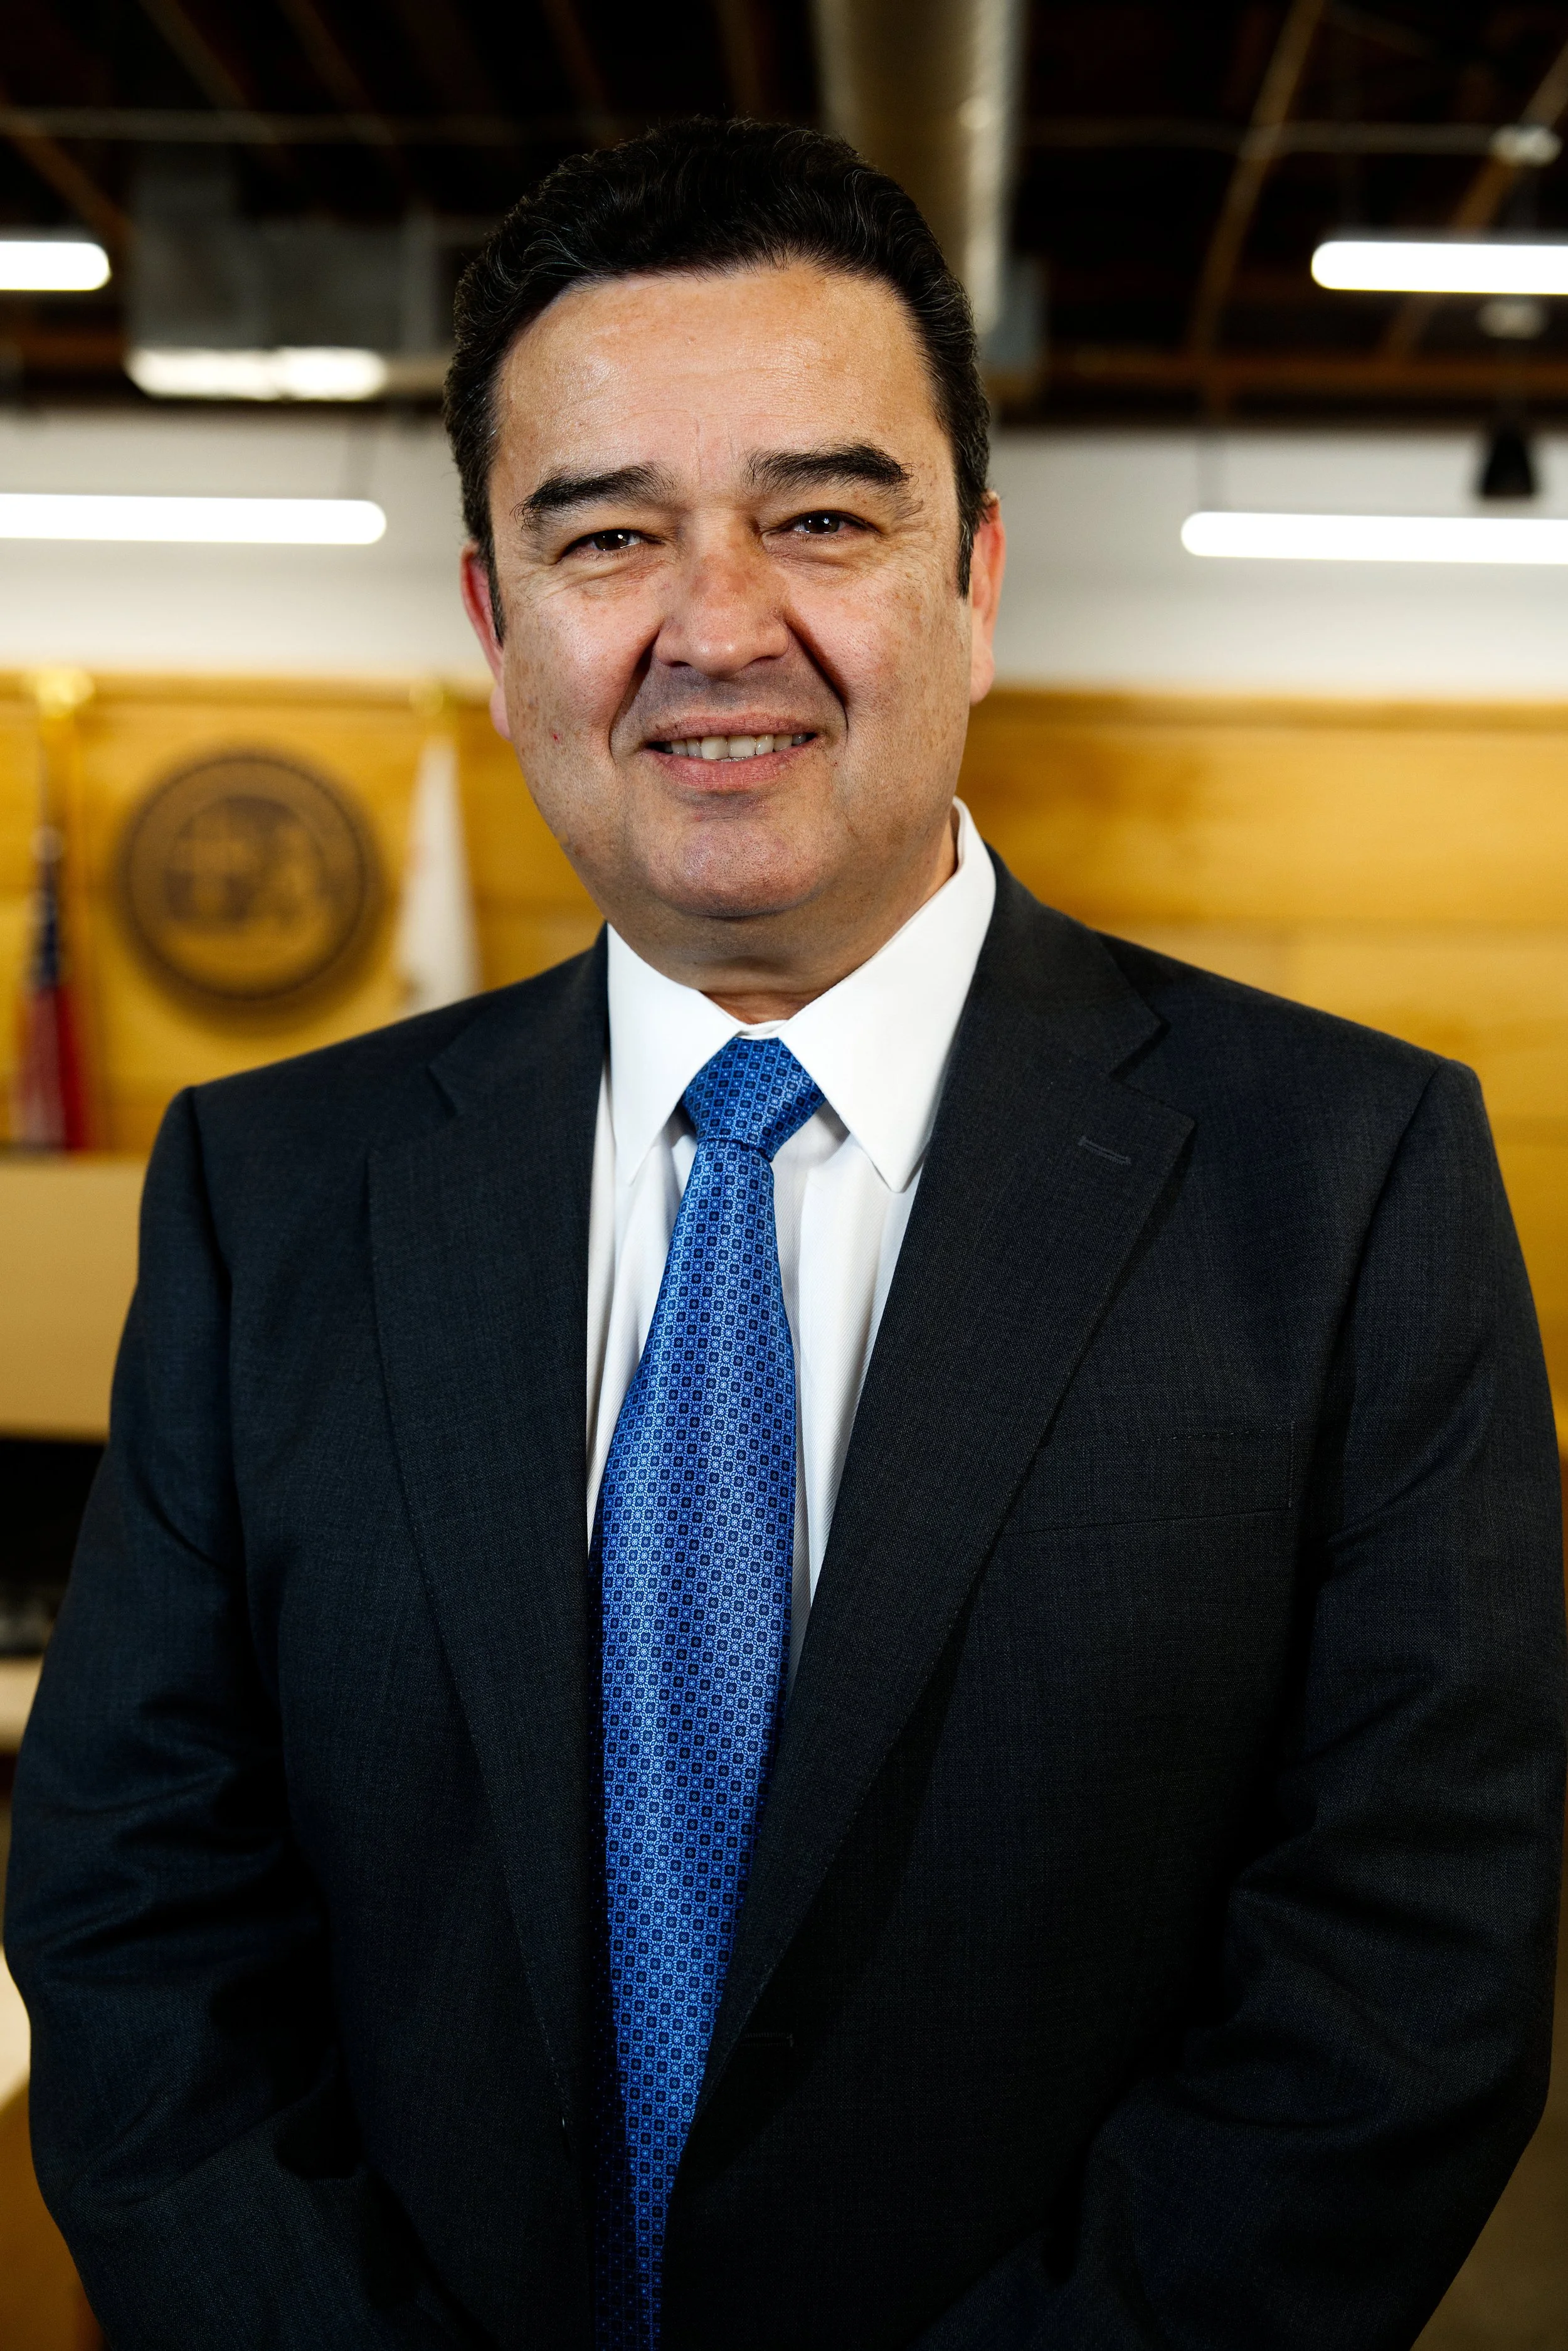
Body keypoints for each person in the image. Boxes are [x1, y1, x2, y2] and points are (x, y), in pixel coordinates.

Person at [7, 117, 1564, 2351]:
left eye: (822, 517)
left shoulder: (1344, 1178)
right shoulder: (271, 1195)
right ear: (494, 616)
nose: (716, 623)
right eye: (607, 533)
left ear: (977, 583)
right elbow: (139, 1921)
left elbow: (1401, 1981)